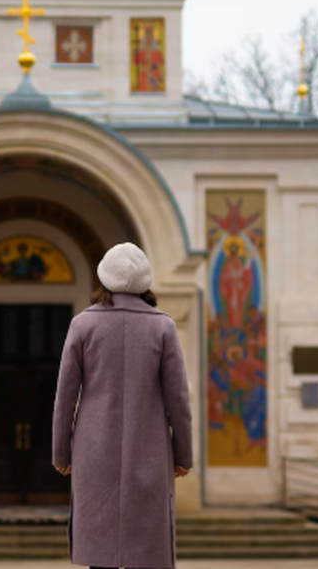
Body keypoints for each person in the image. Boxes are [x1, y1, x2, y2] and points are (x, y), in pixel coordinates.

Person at [52, 242, 194, 569]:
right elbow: (179, 401)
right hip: (150, 454)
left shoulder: (83, 325)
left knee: (99, 558)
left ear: (103, 278)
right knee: (147, 556)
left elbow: (65, 397)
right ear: (145, 281)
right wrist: (183, 454)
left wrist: (61, 452)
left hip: (93, 454)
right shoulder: (163, 326)